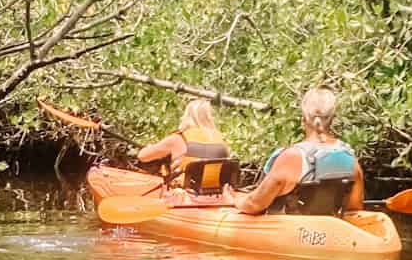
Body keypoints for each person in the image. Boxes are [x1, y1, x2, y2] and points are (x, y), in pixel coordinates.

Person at [224, 86, 364, 217]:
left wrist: (235, 199)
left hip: (292, 235)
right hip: (326, 233)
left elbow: (254, 204)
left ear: (303, 119)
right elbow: (354, 208)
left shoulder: (292, 157)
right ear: (332, 119)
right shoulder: (350, 158)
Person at [134, 99, 233, 194]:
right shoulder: (221, 139)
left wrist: (150, 147)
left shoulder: (178, 138)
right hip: (215, 192)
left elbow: (142, 156)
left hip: (184, 192)